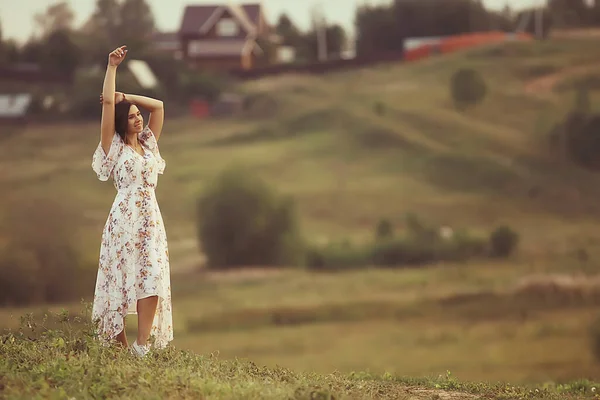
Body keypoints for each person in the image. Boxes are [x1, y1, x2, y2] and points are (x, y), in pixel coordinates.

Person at [91, 45, 173, 357]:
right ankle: (121, 349)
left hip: (150, 218)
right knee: (120, 279)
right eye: (133, 118)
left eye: (140, 117)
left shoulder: (149, 144)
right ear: (123, 122)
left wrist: (130, 98)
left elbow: (160, 106)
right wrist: (112, 68)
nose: (139, 120)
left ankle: (142, 347)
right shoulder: (113, 147)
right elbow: (109, 103)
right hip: (124, 219)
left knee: (150, 274)